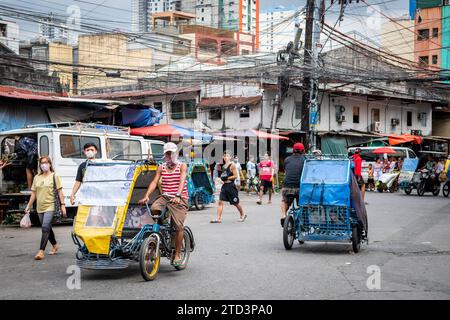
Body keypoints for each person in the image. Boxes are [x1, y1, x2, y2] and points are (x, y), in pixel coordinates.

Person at [138, 142, 189, 267]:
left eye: (171, 153)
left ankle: (177, 254)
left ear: (176, 153)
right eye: (167, 153)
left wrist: (177, 195)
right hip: (165, 197)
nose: (169, 155)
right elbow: (155, 182)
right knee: (154, 209)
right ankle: (161, 229)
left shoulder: (182, 166)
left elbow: (182, 180)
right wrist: (146, 196)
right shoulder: (161, 167)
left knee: (178, 226)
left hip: (180, 197)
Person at [24, 156, 66, 260]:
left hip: (50, 206)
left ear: (50, 164)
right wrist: (28, 206)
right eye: (42, 163)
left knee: (45, 227)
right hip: (40, 207)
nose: (44, 164)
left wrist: (63, 204)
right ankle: (55, 245)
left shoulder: (54, 176)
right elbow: (34, 194)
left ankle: (41, 251)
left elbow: (60, 191)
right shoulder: (37, 177)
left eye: (46, 162)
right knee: (47, 228)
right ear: (40, 165)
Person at [210, 151, 247, 223]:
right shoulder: (223, 166)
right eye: (224, 156)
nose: (225, 157)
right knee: (220, 202)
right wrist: (221, 179)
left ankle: (243, 214)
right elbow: (224, 175)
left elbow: (235, 176)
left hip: (231, 186)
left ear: (230, 157)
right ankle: (218, 218)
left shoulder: (232, 165)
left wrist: (227, 178)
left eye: (227, 156)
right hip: (224, 186)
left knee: (235, 202)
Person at [280, 143, 305, 227]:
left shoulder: (287, 159)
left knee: (285, 201)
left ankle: (283, 215)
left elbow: (286, 171)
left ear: (293, 150)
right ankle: (301, 221)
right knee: (302, 204)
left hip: (287, 186)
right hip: (300, 188)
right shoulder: (305, 160)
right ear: (303, 151)